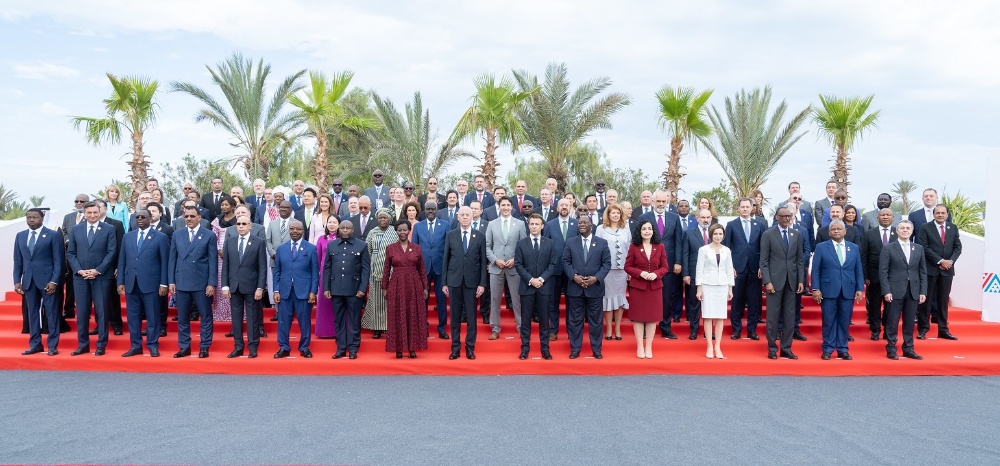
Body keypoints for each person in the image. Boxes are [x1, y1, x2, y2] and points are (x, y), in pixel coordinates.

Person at [116, 209, 169, 357]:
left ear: (150, 218)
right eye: (137, 217)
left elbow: (165, 262)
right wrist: (120, 281)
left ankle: (152, 345)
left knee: (153, 316)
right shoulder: (128, 237)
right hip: (131, 283)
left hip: (152, 283)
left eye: (143, 217)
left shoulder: (160, 237)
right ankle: (135, 345)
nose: (139, 219)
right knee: (133, 317)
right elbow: (122, 261)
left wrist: (164, 283)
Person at [66, 201, 117, 356]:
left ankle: (101, 344)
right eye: (89, 213)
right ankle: (83, 345)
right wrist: (79, 270)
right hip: (80, 278)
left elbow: (111, 252)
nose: (93, 215)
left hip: (101, 277)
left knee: (102, 311)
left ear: (100, 212)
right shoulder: (75, 229)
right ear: (84, 213)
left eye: (95, 212)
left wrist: (98, 270)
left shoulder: (109, 229)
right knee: (81, 312)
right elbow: (71, 253)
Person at [168, 206, 218, 359]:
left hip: (201, 283)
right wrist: (171, 281)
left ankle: (204, 346)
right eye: (186, 216)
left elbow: (212, 261)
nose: (188, 219)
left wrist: (211, 283)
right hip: (182, 281)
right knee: (182, 317)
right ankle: (184, 347)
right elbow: (172, 259)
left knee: (205, 316)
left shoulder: (209, 235)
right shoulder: (177, 234)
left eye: (192, 216)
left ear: (199, 218)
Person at [811, 220, 865, 360]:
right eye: (833, 229)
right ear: (829, 233)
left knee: (844, 320)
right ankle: (828, 349)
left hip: (848, 289)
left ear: (845, 231)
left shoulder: (853, 248)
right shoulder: (821, 247)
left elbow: (858, 269)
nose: (836, 231)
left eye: (839, 229)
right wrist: (815, 288)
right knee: (828, 320)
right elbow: (815, 270)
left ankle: (842, 349)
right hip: (828, 289)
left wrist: (859, 288)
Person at [14, 208, 64, 356]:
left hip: (48, 281)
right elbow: (18, 261)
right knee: (32, 314)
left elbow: (58, 260)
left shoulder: (53, 235)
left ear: (42, 217)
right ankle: (35, 344)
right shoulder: (20, 236)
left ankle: (52, 345)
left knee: (51, 313)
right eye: (29, 217)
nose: (31, 220)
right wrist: (17, 281)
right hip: (28, 281)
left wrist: (54, 281)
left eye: (35, 217)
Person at [562, 216, 611, 359]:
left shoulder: (602, 243)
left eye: (585, 222)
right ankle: (575, 349)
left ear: (592, 225)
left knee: (596, 321)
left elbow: (606, 264)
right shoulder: (571, 242)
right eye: (580, 223)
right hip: (575, 288)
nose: (581, 224)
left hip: (594, 288)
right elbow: (565, 261)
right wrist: (574, 277)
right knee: (575, 320)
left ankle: (596, 349)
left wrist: (595, 278)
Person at [442, 206, 488, 360]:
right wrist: (444, 283)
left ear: (472, 216)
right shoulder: (451, 235)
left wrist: (482, 284)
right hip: (454, 281)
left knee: (471, 317)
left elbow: (483, 263)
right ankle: (455, 347)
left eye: (468, 214)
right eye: (462, 215)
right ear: (458, 217)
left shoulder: (480, 236)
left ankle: (470, 347)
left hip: (472, 283)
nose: (465, 217)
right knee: (455, 317)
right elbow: (446, 260)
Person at [760, 207, 805, 360]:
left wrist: (801, 280)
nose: (787, 218)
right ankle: (772, 348)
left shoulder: (796, 234)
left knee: (789, 317)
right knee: (772, 317)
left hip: (791, 282)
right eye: (784, 216)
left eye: (789, 216)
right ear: (777, 217)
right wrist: (767, 281)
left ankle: (786, 348)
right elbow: (763, 261)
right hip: (774, 282)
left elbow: (799, 260)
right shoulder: (768, 234)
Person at [638, 190, 684, 339]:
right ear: (652, 201)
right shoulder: (644, 217)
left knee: (667, 298)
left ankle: (665, 327)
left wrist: (678, 261)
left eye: (664, 201)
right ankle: (645, 327)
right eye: (658, 201)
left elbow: (678, 241)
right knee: (647, 298)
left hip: (668, 265)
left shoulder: (674, 218)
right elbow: (638, 240)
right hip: (648, 265)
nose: (661, 204)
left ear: (667, 202)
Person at [221, 214, 268, 358]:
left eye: (244, 224)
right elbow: (226, 266)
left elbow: (262, 267)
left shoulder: (259, 242)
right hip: (234, 287)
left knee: (253, 318)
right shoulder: (230, 241)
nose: (241, 226)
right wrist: (225, 286)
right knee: (236, 318)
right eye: (238, 224)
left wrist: (260, 287)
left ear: (250, 226)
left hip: (252, 287)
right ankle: (238, 346)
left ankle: (253, 347)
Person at [879, 220, 927, 360]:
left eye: (908, 228)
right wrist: (886, 290)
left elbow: (922, 271)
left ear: (912, 231)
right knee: (892, 321)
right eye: (902, 228)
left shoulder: (918, 248)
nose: (905, 230)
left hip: (913, 290)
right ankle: (891, 348)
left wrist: (923, 291)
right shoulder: (888, 248)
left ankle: (908, 348)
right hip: (894, 290)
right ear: (897, 231)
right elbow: (883, 272)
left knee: (910, 321)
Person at [380, 220, 429, 358]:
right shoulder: (391, 248)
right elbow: (386, 270)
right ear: (396, 231)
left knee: (412, 315)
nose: (402, 232)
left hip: (414, 284)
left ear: (409, 231)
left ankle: (412, 348)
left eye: (405, 230)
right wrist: (385, 287)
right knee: (397, 315)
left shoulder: (417, 248)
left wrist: (425, 287)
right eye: (400, 230)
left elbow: (422, 269)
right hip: (396, 284)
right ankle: (399, 348)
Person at [513, 214, 559, 360]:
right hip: (527, 287)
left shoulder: (550, 243)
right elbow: (518, 265)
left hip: (544, 287)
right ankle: (525, 348)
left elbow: (553, 264)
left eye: (536, 224)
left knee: (544, 320)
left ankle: (545, 348)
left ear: (542, 226)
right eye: (531, 224)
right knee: (525, 320)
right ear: (528, 225)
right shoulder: (521, 243)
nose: (534, 226)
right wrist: (531, 280)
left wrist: (542, 279)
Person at [272, 221, 318, 358]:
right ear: (289, 230)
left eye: (298, 229)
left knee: (304, 322)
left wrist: (313, 291)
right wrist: (276, 290)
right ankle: (284, 347)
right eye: (292, 228)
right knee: (283, 321)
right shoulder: (281, 248)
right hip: (285, 291)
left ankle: (304, 347)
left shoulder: (310, 248)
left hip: (304, 292)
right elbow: (277, 271)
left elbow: (315, 272)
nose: (295, 231)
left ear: (303, 231)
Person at [324, 220, 369, 359]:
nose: (344, 230)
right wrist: (326, 287)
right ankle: (341, 348)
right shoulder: (332, 245)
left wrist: (362, 288)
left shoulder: (361, 245)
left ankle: (353, 348)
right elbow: (327, 268)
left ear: (352, 230)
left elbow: (365, 269)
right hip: (336, 288)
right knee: (339, 320)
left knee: (354, 320)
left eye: (347, 228)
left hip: (354, 290)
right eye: (342, 228)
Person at [916, 204, 962, 340]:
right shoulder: (925, 227)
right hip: (931, 269)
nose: (940, 215)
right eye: (938, 213)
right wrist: (940, 261)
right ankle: (923, 329)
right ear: (934, 214)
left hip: (947, 271)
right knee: (926, 300)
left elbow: (957, 247)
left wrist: (950, 261)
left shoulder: (952, 227)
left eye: (943, 213)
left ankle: (943, 329)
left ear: (947, 214)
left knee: (943, 301)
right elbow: (924, 247)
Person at [624, 219, 668, 359]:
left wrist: (656, 274)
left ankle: (648, 346)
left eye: (649, 228)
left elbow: (665, 267)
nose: (647, 231)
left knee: (651, 318)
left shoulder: (660, 246)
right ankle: (639, 346)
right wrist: (640, 273)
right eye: (644, 229)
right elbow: (627, 266)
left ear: (653, 230)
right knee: (638, 318)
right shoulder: (634, 247)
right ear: (639, 231)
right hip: (638, 287)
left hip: (654, 287)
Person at [723, 197, 765, 340]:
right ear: (738, 208)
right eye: (743, 207)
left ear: (752, 208)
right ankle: (736, 330)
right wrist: (730, 267)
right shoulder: (731, 225)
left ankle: (752, 330)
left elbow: (763, 248)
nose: (745, 209)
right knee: (737, 301)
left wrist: (761, 266)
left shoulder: (759, 225)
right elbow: (726, 248)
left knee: (754, 301)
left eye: (748, 207)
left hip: (755, 268)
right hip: (737, 268)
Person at [485, 196, 526, 339]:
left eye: (508, 205)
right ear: (499, 206)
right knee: (495, 299)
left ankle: (521, 327)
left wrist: (516, 260)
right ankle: (495, 328)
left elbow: (523, 245)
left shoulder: (520, 224)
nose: (506, 208)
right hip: (496, 268)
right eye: (503, 205)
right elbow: (487, 246)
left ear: (512, 207)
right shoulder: (492, 224)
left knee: (517, 299)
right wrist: (495, 260)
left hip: (514, 267)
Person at [412, 201, 450, 339]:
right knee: (423, 300)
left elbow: (448, 247)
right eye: (428, 209)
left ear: (437, 210)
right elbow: (415, 248)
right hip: (423, 268)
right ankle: (423, 328)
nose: (430, 211)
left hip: (440, 268)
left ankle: (442, 328)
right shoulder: (418, 226)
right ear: (424, 210)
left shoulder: (445, 225)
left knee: (441, 300)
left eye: (433, 209)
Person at [696, 224, 735, 359]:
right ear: (711, 235)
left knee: (719, 317)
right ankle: (709, 345)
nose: (718, 236)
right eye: (715, 234)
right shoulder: (704, 250)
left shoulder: (727, 250)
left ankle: (717, 345)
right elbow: (699, 269)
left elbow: (729, 270)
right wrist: (699, 288)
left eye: (720, 234)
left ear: (723, 235)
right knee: (707, 316)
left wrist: (730, 287)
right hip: (707, 285)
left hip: (722, 285)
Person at [543, 198, 577, 340]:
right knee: (553, 301)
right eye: (561, 205)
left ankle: (571, 331)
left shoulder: (577, 224)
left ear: (570, 208)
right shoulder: (550, 225)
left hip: (572, 270)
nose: (564, 207)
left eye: (567, 205)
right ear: (557, 208)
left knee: (572, 301)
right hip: (554, 269)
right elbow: (545, 246)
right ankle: (553, 330)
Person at [860, 208, 897, 340]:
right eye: (882, 215)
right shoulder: (869, 234)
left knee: (891, 306)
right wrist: (865, 276)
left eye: (888, 215)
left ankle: (888, 330)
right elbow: (863, 255)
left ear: (893, 218)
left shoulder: (898, 233)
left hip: (893, 278)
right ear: (877, 218)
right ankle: (875, 330)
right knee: (874, 305)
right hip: (873, 277)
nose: (885, 217)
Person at [595, 204, 630, 340]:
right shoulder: (600, 229)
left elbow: (629, 248)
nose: (615, 215)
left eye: (617, 213)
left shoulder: (626, 230)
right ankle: (609, 328)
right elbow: (597, 249)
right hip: (606, 270)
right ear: (608, 215)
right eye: (613, 213)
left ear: (621, 215)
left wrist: (629, 269)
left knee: (620, 298)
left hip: (621, 270)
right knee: (608, 299)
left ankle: (618, 328)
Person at [362, 208, 398, 339]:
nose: (383, 220)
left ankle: (388, 326)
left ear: (390, 219)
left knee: (390, 300)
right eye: (380, 218)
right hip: (375, 270)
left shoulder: (394, 232)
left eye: (385, 218)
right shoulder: (372, 232)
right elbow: (367, 250)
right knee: (376, 300)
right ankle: (376, 328)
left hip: (392, 270)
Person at [681, 209, 713, 340]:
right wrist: (686, 274)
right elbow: (685, 254)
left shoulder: (716, 233)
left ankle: (709, 331)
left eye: (708, 217)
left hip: (712, 275)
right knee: (693, 304)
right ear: (697, 218)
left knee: (710, 304)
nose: (705, 220)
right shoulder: (689, 233)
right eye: (703, 217)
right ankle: (694, 331)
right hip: (694, 274)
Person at [313, 215, 340, 340]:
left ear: (339, 224)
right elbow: (317, 259)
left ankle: (338, 331)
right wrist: (317, 276)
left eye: (335, 222)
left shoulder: (342, 239)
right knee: (325, 303)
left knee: (338, 303)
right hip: (325, 274)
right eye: (330, 222)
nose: (332, 224)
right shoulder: (321, 239)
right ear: (326, 224)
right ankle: (324, 331)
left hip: (340, 275)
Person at [210, 197, 235, 323]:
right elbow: (213, 237)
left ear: (232, 206)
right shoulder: (216, 220)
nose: (224, 207)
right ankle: (221, 313)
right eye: (222, 205)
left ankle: (234, 313)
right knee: (221, 282)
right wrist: (219, 250)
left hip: (235, 254)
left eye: (226, 205)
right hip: (220, 256)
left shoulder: (238, 221)